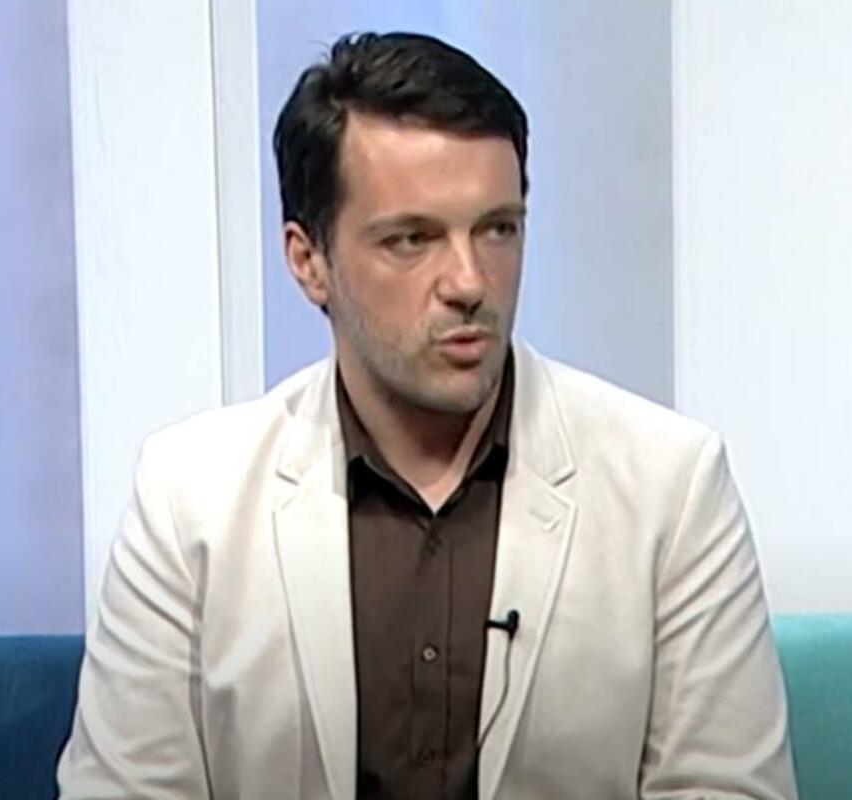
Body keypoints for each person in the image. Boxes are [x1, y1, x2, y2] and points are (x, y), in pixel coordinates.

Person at [57, 31, 797, 800]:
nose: (470, 282)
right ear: (308, 261)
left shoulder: (671, 488)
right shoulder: (191, 499)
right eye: (413, 239)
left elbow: (727, 788)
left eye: (498, 228)